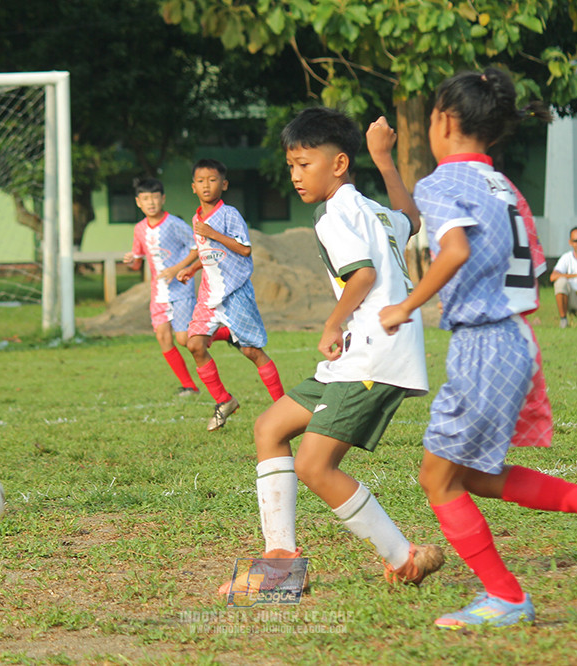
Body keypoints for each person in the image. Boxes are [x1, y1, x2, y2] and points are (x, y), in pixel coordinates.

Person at [376, 68, 577, 629]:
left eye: (429, 117)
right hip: (516, 340)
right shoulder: (502, 186)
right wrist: (385, 163)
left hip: (483, 343)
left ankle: (505, 596)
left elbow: (449, 249)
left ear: (445, 121)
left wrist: (405, 307)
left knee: (438, 478)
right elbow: (435, 222)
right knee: (470, 475)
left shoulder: (444, 182)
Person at [218, 107, 441, 598]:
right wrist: (384, 159)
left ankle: (404, 558)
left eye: (305, 164)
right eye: (291, 166)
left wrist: (332, 321)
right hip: (363, 353)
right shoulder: (373, 210)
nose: (296, 176)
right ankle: (280, 562)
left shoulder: (333, 214)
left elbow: (361, 276)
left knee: (315, 466)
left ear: (338, 163)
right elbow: (412, 219)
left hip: (371, 352)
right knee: (269, 428)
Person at [176, 158, 284, 430]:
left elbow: (244, 249)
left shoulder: (230, 214)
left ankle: (283, 407)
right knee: (194, 344)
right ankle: (224, 401)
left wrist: (212, 232)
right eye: (201, 181)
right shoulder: (196, 218)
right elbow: (209, 252)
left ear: (224, 184)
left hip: (235, 292)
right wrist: (192, 268)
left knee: (251, 351)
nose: (206, 186)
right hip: (209, 294)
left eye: (212, 180)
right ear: (193, 187)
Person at [123, 178, 231, 397]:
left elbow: (196, 247)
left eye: (154, 197)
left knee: (184, 339)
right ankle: (189, 386)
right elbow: (137, 262)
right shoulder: (139, 229)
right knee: (163, 337)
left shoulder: (174, 223)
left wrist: (177, 268)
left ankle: (227, 333)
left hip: (180, 290)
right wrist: (130, 261)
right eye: (145, 199)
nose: (151, 203)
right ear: (138, 202)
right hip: (158, 294)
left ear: (163, 199)